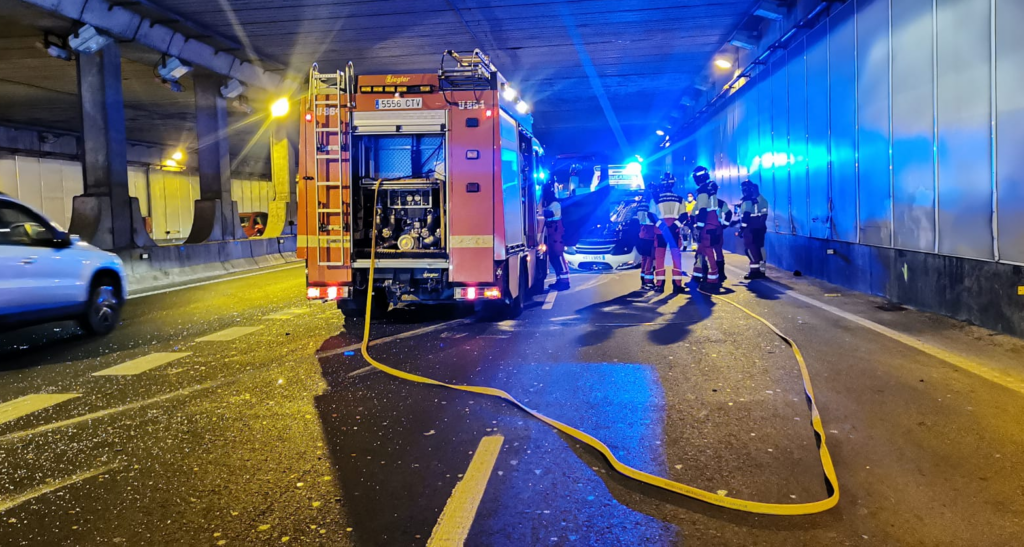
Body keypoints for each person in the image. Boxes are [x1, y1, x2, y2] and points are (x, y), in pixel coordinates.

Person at [648, 172, 687, 294]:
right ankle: (677, 285)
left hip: (661, 231)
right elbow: (684, 215)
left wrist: (662, 226)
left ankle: (660, 285)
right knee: (676, 256)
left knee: (659, 256)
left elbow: (651, 215)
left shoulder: (656, 198)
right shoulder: (680, 199)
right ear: (673, 184)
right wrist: (674, 226)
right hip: (674, 230)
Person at [690, 166, 722, 291]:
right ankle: (698, 275)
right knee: (701, 250)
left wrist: (698, 226)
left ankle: (712, 279)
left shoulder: (703, 191)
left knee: (708, 251)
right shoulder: (710, 189)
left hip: (707, 224)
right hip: (713, 223)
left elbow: (702, 209)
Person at [738, 179, 769, 279]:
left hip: (751, 227)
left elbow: (747, 215)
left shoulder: (749, 200)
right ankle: (761, 271)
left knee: (750, 249)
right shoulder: (761, 200)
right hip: (759, 227)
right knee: (759, 248)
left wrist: (742, 229)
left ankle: (754, 271)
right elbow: (764, 215)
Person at [542, 181, 571, 290]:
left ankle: (565, 282)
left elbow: (549, 214)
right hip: (551, 236)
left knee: (559, 257)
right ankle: (559, 280)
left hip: (556, 235)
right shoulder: (550, 204)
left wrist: (539, 211)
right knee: (553, 258)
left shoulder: (555, 204)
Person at [636, 197, 657, 290]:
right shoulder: (652, 204)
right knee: (650, 258)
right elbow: (653, 217)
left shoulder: (641, 205)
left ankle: (643, 279)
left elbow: (641, 219)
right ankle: (648, 281)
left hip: (643, 233)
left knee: (644, 258)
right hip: (651, 233)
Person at [714, 195, 732, 282]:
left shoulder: (703, 201)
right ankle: (721, 274)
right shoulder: (721, 202)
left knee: (705, 251)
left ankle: (706, 273)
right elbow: (729, 213)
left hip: (706, 229)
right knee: (718, 251)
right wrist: (724, 225)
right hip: (717, 228)